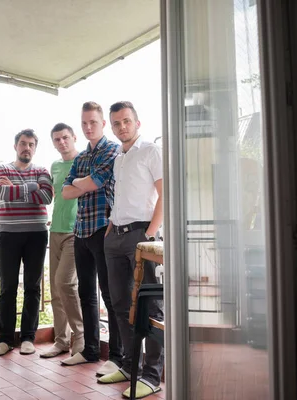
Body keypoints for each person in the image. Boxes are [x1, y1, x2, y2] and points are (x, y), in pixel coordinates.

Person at [98, 101, 164, 399]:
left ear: (137, 123)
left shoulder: (151, 150)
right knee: (119, 303)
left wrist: (149, 235)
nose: (121, 126)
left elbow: (166, 194)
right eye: (116, 123)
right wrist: (111, 227)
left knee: (150, 306)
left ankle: (151, 376)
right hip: (115, 236)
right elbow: (122, 198)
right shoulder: (118, 159)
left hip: (141, 234)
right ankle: (128, 366)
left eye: (126, 121)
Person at [60, 101, 123, 377]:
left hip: (102, 229)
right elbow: (65, 192)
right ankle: (91, 350)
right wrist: (80, 183)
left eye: (93, 123)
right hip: (81, 231)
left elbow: (93, 184)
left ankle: (118, 357)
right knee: (86, 293)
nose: (88, 127)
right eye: (84, 123)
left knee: (110, 294)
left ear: (103, 124)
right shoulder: (81, 157)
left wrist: (80, 184)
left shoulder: (112, 150)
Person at [0, 129, 54, 357]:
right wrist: (32, 187)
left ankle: (28, 338)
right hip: (9, 233)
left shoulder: (42, 170)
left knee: (33, 287)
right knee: (8, 288)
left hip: (36, 234)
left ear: (35, 148)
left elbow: (47, 197)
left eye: (31, 145)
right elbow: (1, 193)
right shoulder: (2, 169)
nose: (27, 148)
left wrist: (18, 189)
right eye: (23, 144)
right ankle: (5, 340)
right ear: (16, 146)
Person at [40, 123, 85, 358]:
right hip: (54, 231)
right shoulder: (55, 166)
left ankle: (80, 338)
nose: (62, 142)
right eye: (57, 139)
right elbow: (55, 195)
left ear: (74, 137)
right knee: (56, 289)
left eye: (65, 138)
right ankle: (61, 341)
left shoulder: (84, 161)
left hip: (75, 232)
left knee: (65, 283)